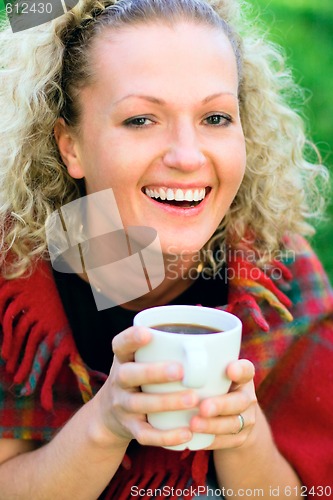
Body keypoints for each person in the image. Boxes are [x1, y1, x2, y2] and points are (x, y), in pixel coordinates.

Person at [0, 0, 332, 498]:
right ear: (71, 146)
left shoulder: (277, 270)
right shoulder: (16, 281)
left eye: (215, 117)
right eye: (141, 120)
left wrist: (240, 431)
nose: (186, 156)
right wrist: (106, 423)